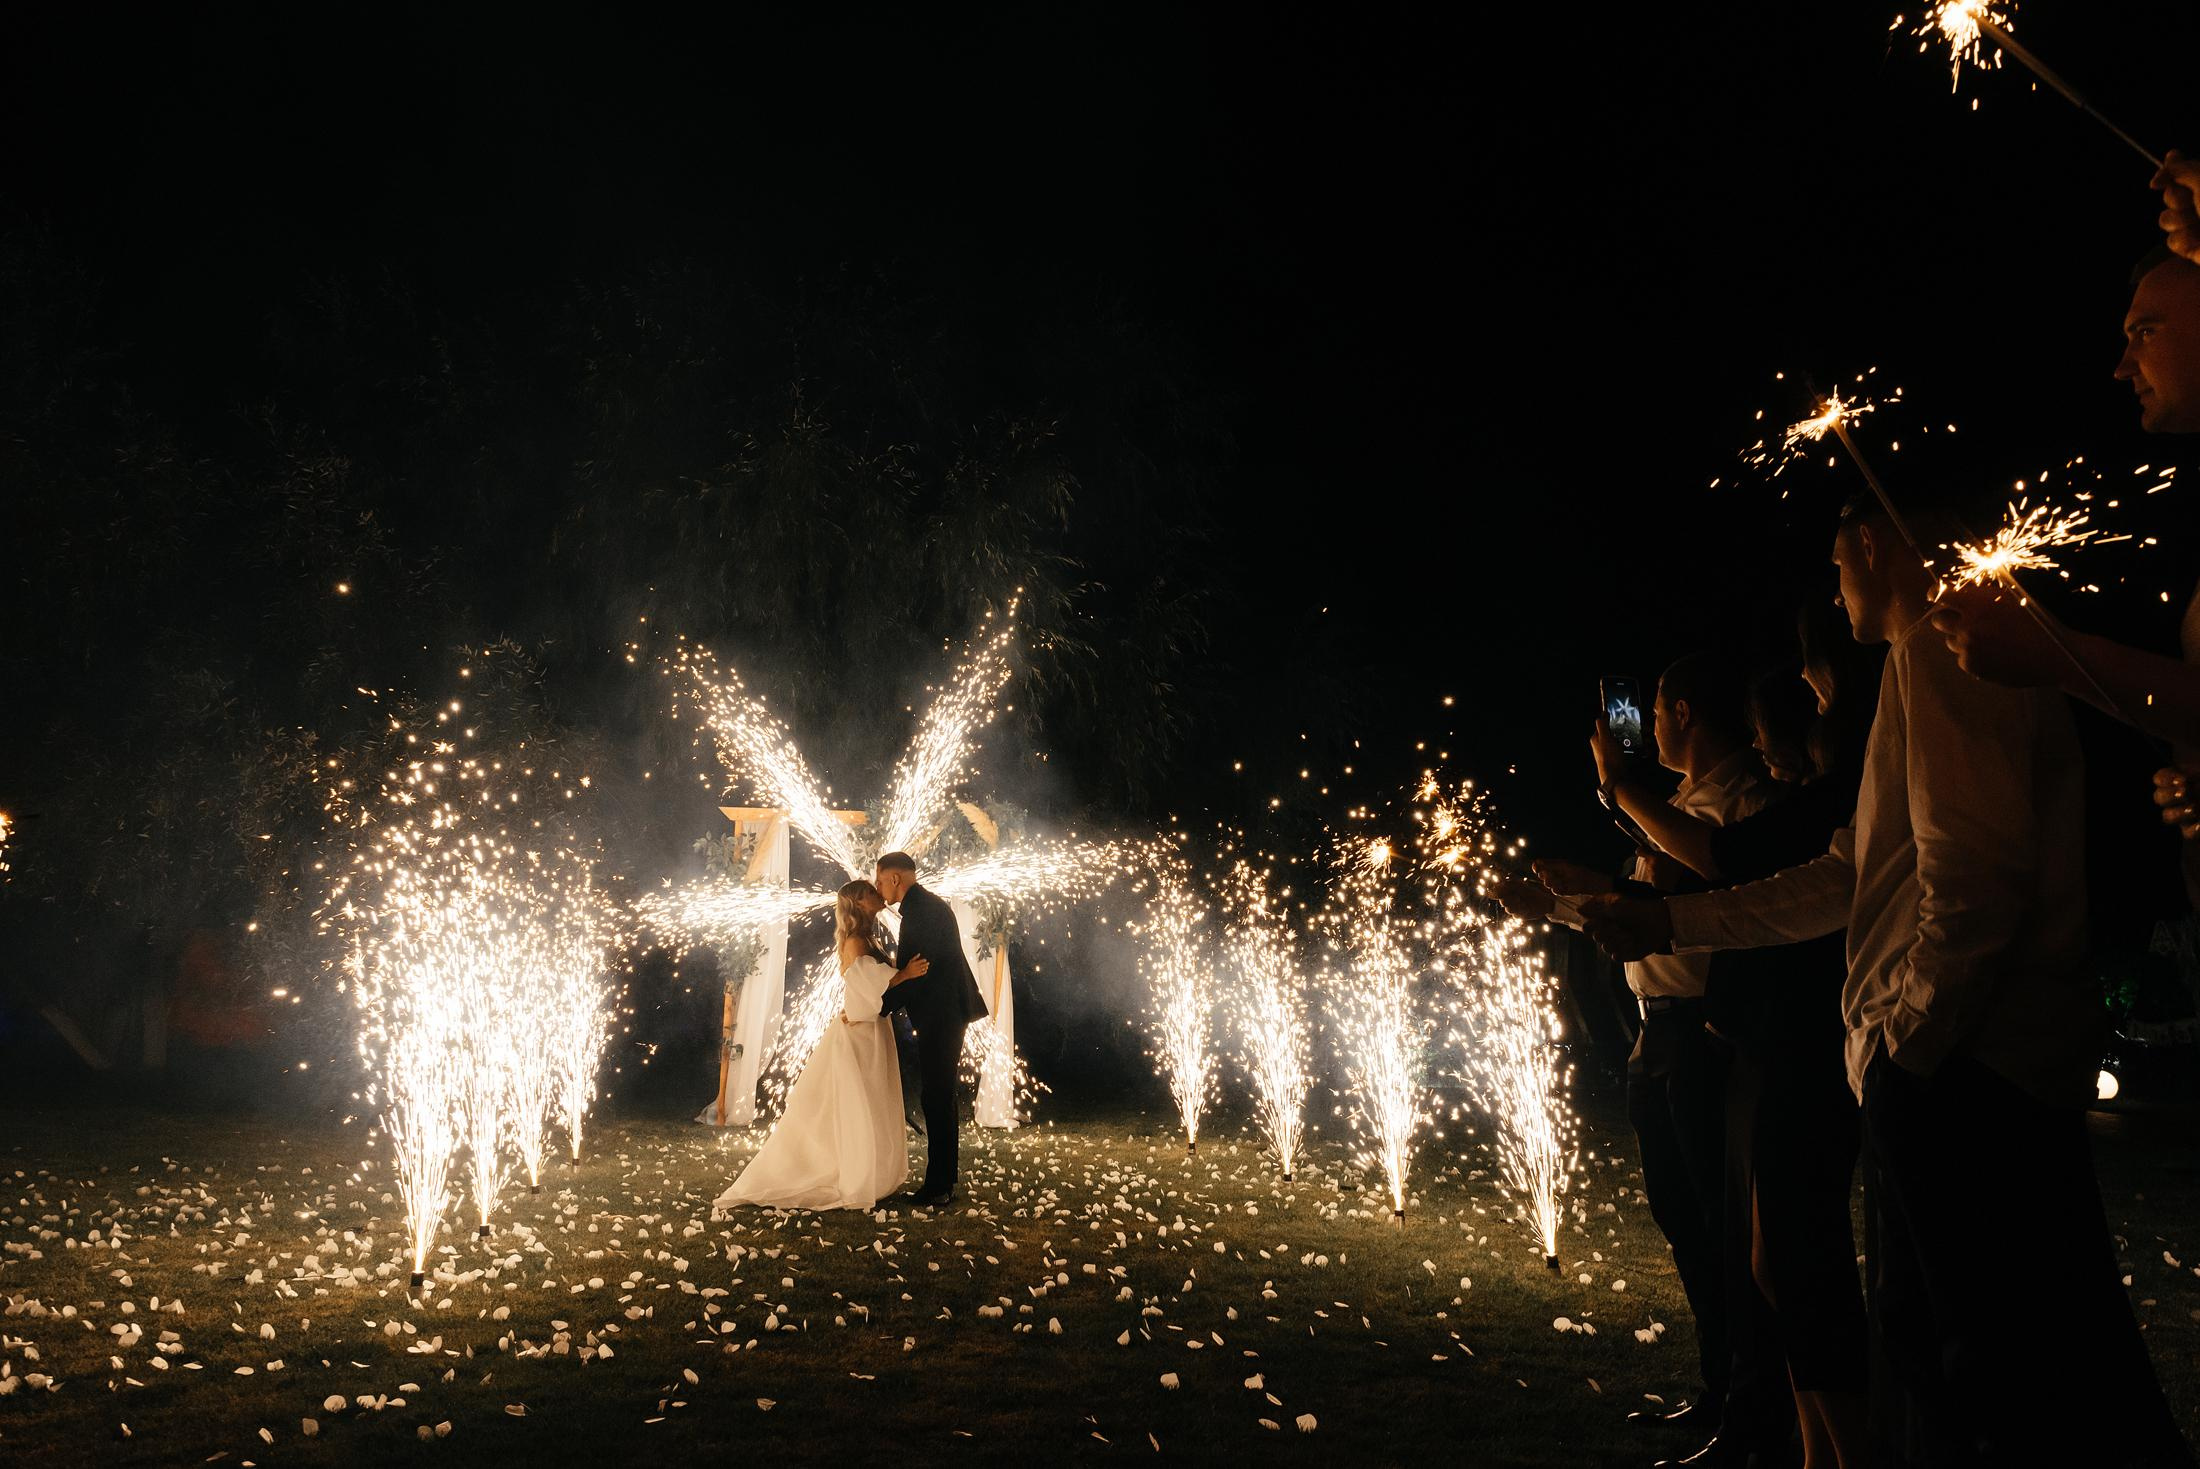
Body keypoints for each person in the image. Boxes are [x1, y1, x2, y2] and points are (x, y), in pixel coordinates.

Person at [1584, 493, 2189, 1468]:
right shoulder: (1938, 656)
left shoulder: (1946, 651)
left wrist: (1904, 1044)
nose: (1833, 585)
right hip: (1953, 1067)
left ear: (1875, 541)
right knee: (1954, 1356)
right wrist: (1669, 919)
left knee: (1989, 1373)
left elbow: (1975, 883)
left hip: (1964, 1072)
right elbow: (1848, 873)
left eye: (1836, 562)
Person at [1594, 608, 1881, 1469]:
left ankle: (1800, 1430)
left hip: (1788, 1048)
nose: (1799, 700)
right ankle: (1792, 1434)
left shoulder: (1779, 804)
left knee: (1788, 1258)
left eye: (1813, 680)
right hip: (1751, 1042)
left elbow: (1741, 880)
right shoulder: (1786, 802)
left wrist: (1619, 791)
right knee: (1761, 1254)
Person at [1501, 651, 1776, 1463]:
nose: (1646, 724)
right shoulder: (1681, 804)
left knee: (1725, 1229)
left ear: (1686, 712)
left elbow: (1695, 901)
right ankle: (1720, 1388)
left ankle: (1755, 1407)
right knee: (1682, 1218)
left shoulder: (1740, 807)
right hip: (1658, 1034)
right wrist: (1552, 904)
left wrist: (1617, 784)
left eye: (1656, 709)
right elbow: (1638, 918)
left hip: (1707, 1034)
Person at [713, 880, 927, 1213]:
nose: (878, 894)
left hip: (870, 1032)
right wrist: (905, 974)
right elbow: (871, 986)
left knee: (871, 1104)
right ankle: (848, 1174)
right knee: (857, 1106)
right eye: (872, 892)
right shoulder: (857, 941)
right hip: (859, 1037)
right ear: (859, 902)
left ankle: (868, 1172)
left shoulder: (866, 938)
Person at [874, 850, 990, 1206]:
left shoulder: (921, 912)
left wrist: (878, 1006)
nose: (879, 889)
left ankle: (938, 1186)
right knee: (939, 1096)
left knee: (936, 1096)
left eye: (880, 881)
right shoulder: (926, 907)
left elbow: (916, 971)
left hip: (942, 1013)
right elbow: (914, 969)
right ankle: (943, 1182)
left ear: (896, 878)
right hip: (946, 1011)